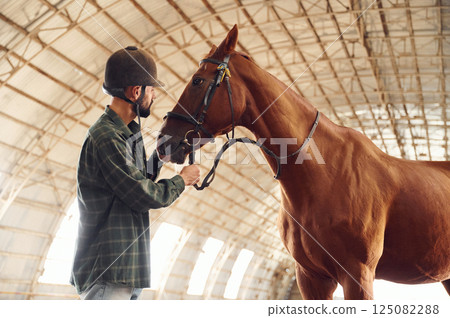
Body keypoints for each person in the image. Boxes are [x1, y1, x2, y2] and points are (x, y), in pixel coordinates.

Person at [70, 46, 200, 300]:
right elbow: (142, 195)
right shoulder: (106, 136)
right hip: (108, 270)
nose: (153, 96)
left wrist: (159, 157)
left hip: (126, 270)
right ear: (136, 91)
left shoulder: (128, 132)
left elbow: (137, 181)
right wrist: (181, 180)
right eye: (151, 90)